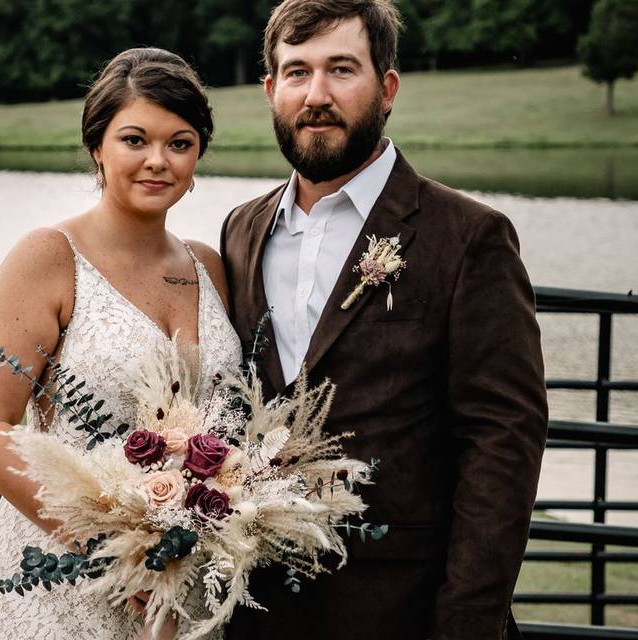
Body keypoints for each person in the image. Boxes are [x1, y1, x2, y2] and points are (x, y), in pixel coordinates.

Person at [220, 1, 549, 638]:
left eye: (341, 69)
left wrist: (465, 621)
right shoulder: (242, 230)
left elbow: (504, 442)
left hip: (404, 607)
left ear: (387, 88)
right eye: (296, 72)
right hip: (261, 610)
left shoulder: (469, 237)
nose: (315, 95)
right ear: (270, 90)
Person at [0, 48, 241, 640]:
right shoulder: (48, 258)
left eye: (179, 143)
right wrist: (114, 551)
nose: (157, 161)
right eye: (134, 139)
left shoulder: (209, 267)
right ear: (97, 147)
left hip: (186, 583)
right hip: (62, 576)